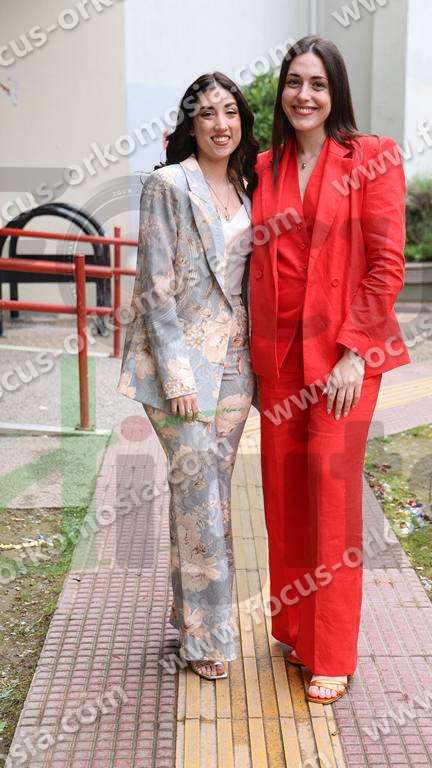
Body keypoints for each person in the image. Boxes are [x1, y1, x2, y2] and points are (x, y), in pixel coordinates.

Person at [249, 36, 410, 704]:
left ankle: (333, 653)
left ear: (336, 91)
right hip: (279, 360)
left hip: (345, 359)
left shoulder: (372, 156)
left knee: (332, 502)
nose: (304, 95)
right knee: (284, 499)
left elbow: (386, 264)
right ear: (281, 91)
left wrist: (355, 351)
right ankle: (295, 630)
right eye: (294, 82)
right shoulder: (264, 165)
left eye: (317, 83)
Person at [117, 71, 259, 680]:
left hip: (236, 365)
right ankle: (207, 641)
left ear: (242, 121)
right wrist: (179, 377)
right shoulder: (168, 184)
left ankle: (190, 617)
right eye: (207, 114)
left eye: (230, 112)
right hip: (179, 369)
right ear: (190, 124)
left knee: (210, 497)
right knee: (199, 494)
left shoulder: (250, 187)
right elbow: (154, 289)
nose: (221, 124)